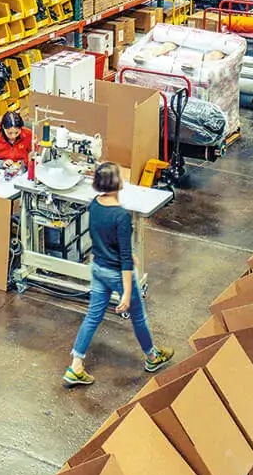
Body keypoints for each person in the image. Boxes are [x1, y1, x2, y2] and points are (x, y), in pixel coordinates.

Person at [64, 162, 173, 387]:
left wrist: (126, 254)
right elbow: (124, 260)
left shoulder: (94, 205)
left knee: (93, 316)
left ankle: (76, 365)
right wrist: (126, 294)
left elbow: (104, 237)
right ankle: (152, 357)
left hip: (98, 268)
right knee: (138, 316)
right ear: (117, 183)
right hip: (116, 272)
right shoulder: (121, 216)